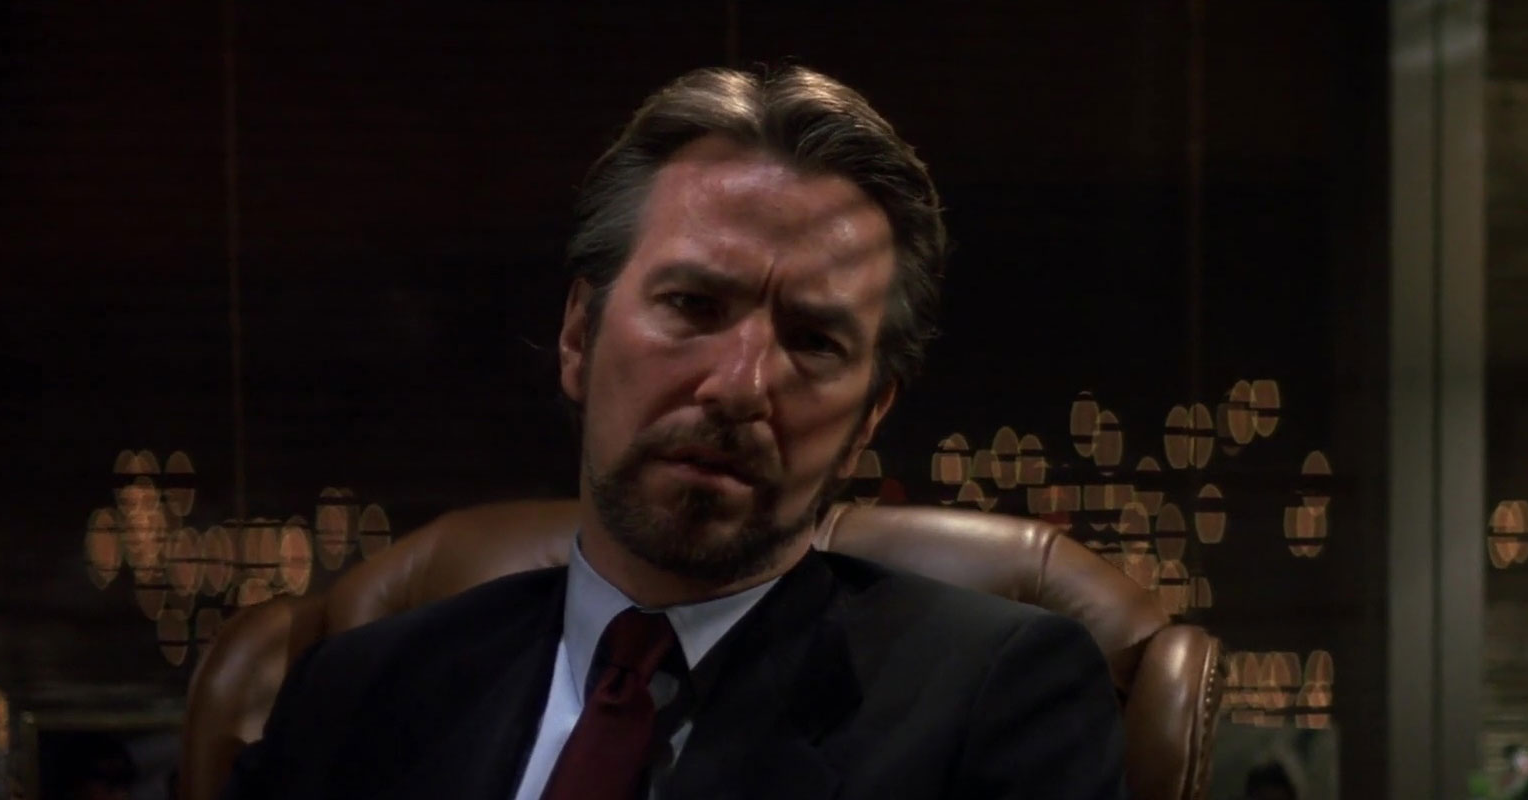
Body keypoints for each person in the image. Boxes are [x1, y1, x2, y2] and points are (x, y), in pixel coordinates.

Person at [220, 65, 1128, 800]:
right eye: (693, 305)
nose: (739, 387)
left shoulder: (996, 698)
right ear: (579, 337)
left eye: (814, 342)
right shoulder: (362, 689)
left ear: (868, 422)